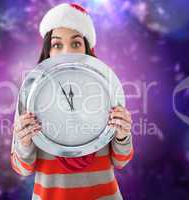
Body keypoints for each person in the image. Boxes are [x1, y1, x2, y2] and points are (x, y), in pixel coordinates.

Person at [10, 3, 134, 200]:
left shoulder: (105, 90)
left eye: (75, 43)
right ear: (48, 51)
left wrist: (122, 135)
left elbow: (121, 161)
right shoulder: (31, 97)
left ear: (86, 49)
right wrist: (24, 142)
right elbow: (22, 169)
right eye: (57, 45)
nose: (66, 51)